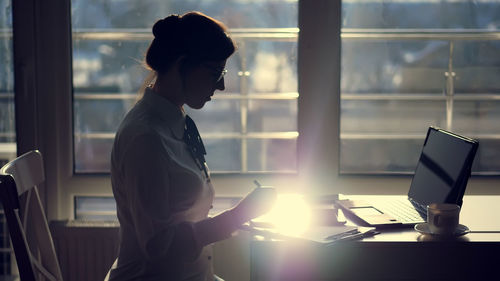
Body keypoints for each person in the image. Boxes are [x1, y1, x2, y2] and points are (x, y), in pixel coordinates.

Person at [106, 11, 277, 281]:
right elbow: (160, 248)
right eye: (214, 73)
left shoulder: (175, 121)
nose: (221, 85)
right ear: (181, 65)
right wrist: (237, 217)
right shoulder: (146, 140)